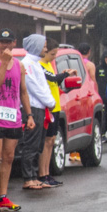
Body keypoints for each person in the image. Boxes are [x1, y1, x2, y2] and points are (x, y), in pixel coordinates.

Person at [0, 28, 36, 211]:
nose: (5, 45)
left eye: (9, 42)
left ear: (14, 43)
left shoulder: (20, 66)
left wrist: (29, 115)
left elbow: (23, 91)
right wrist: (4, 64)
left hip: (13, 116)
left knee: (9, 156)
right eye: (2, 42)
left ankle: (3, 195)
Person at [37, 38, 77, 187]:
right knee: (46, 142)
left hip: (56, 106)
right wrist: (65, 74)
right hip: (47, 108)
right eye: (53, 53)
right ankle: (42, 174)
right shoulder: (40, 66)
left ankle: (47, 173)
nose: (54, 57)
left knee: (51, 141)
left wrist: (64, 75)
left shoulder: (49, 65)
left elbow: (55, 82)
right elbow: (52, 78)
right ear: (45, 51)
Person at [20, 34, 56, 190]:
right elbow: (33, 87)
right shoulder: (27, 64)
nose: (46, 49)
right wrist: (49, 101)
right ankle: (28, 178)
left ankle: (34, 176)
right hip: (34, 107)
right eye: (44, 46)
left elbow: (44, 86)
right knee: (30, 143)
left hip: (41, 107)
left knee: (38, 144)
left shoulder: (35, 63)